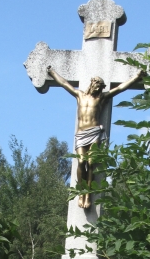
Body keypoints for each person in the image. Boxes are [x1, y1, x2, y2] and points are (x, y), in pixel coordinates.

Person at [47, 65, 144, 208]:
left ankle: (88, 195)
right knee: (81, 162)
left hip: (94, 133)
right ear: (92, 84)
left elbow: (119, 88)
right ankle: (81, 192)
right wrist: (52, 72)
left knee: (91, 164)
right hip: (81, 134)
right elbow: (64, 84)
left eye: (100, 87)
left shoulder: (101, 98)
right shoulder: (79, 95)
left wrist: (136, 77)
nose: (98, 89)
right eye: (96, 86)